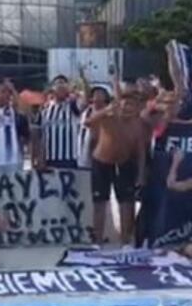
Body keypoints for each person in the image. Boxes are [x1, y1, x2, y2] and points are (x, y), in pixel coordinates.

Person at [84, 89, 147, 245]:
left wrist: (141, 174)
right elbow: (88, 122)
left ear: (137, 108)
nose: (127, 108)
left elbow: (141, 151)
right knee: (100, 202)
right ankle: (97, 241)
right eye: (125, 104)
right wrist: (106, 110)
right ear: (119, 104)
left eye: (131, 105)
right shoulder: (109, 116)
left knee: (126, 203)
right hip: (101, 162)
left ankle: (125, 241)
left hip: (124, 163)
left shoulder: (139, 124)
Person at [0, 79, 31, 171]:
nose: (4, 95)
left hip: (13, 162)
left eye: (7, 92)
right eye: (1, 91)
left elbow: (27, 111)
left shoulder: (15, 113)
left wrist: (13, 90)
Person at [39, 75, 82, 169]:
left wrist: (81, 81)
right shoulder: (46, 110)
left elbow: (85, 100)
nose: (60, 86)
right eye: (58, 84)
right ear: (52, 89)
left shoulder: (72, 105)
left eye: (63, 84)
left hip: (70, 158)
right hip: (50, 158)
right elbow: (42, 136)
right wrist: (41, 158)